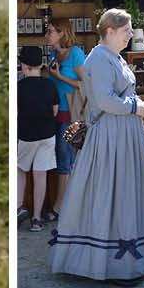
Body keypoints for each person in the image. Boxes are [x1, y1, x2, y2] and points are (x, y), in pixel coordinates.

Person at [47, 8, 144, 286]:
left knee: (121, 191)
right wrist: (136, 106)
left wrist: (135, 108)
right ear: (109, 31)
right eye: (126, 30)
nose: (131, 35)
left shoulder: (113, 57)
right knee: (113, 192)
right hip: (110, 139)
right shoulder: (99, 58)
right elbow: (104, 100)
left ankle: (125, 261)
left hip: (122, 136)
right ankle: (114, 265)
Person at [44, 18, 87, 223]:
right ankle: (67, 206)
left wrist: (59, 77)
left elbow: (86, 84)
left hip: (71, 113)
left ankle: (60, 207)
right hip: (56, 113)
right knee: (62, 160)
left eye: (51, 31)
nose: (47, 35)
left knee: (65, 160)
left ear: (62, 33)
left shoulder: (76, 54)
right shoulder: (54, 53)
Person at [19, 45, 59, 233]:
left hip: (26, 135)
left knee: (20, 171)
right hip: (47, 135)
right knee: (40, 175)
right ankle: (36, 218)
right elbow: (55, 110)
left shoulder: (18, 87)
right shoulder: (49, 85)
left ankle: (18, 209)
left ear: (23, 66)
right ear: (42, 64)